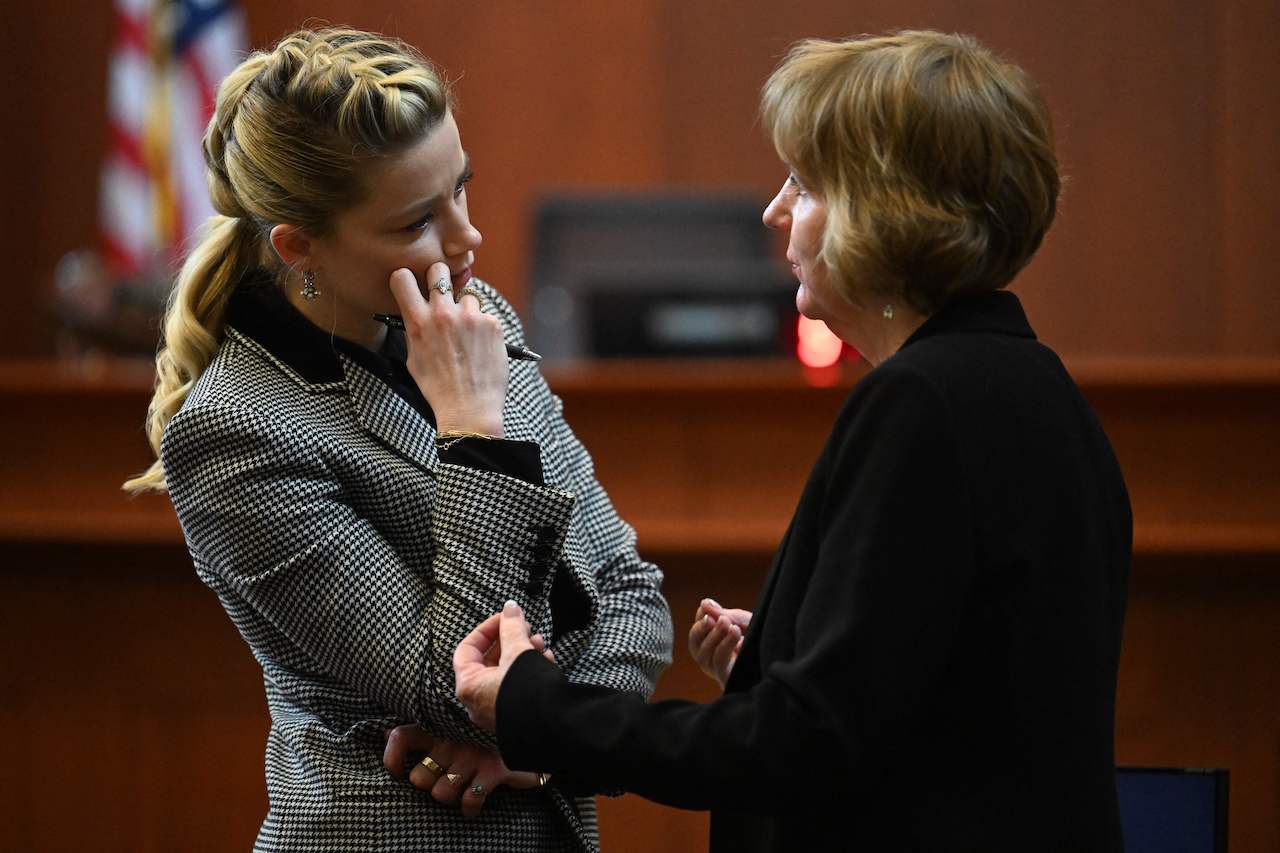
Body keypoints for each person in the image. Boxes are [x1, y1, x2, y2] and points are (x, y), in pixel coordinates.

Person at [441, 30, 1132, 852]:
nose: (774, 210)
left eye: (803, 185)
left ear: (882, 211)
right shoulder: (1038, 388)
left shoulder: (921, 403)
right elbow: (961, 711)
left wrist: (536, 709)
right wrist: (776, 672)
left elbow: (805, 747)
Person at [122, 27, 672, 853]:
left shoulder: (478, 318)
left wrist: (542, 747)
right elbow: (450, 689)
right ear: (298, 245)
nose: (465, 240)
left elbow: (633, 594)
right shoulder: (236, 429)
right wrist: (475, 432)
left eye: (462, 189)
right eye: (418, 219)